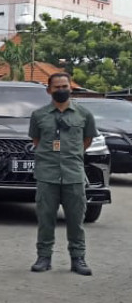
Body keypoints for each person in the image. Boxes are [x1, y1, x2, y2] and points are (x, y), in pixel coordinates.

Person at [28, 72, 96, 276]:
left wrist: (71, 155)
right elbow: (36, 141)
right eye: (57, 87)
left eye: (64, 86)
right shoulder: (39, 115)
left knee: (76, 220)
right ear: (49, 90)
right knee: (45, 219)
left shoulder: (84, 114)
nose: (61, 90)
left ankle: (78, 259)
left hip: (73, 175)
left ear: (71, 88)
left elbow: (87, 141)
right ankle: (44, 257)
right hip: (47, 175)